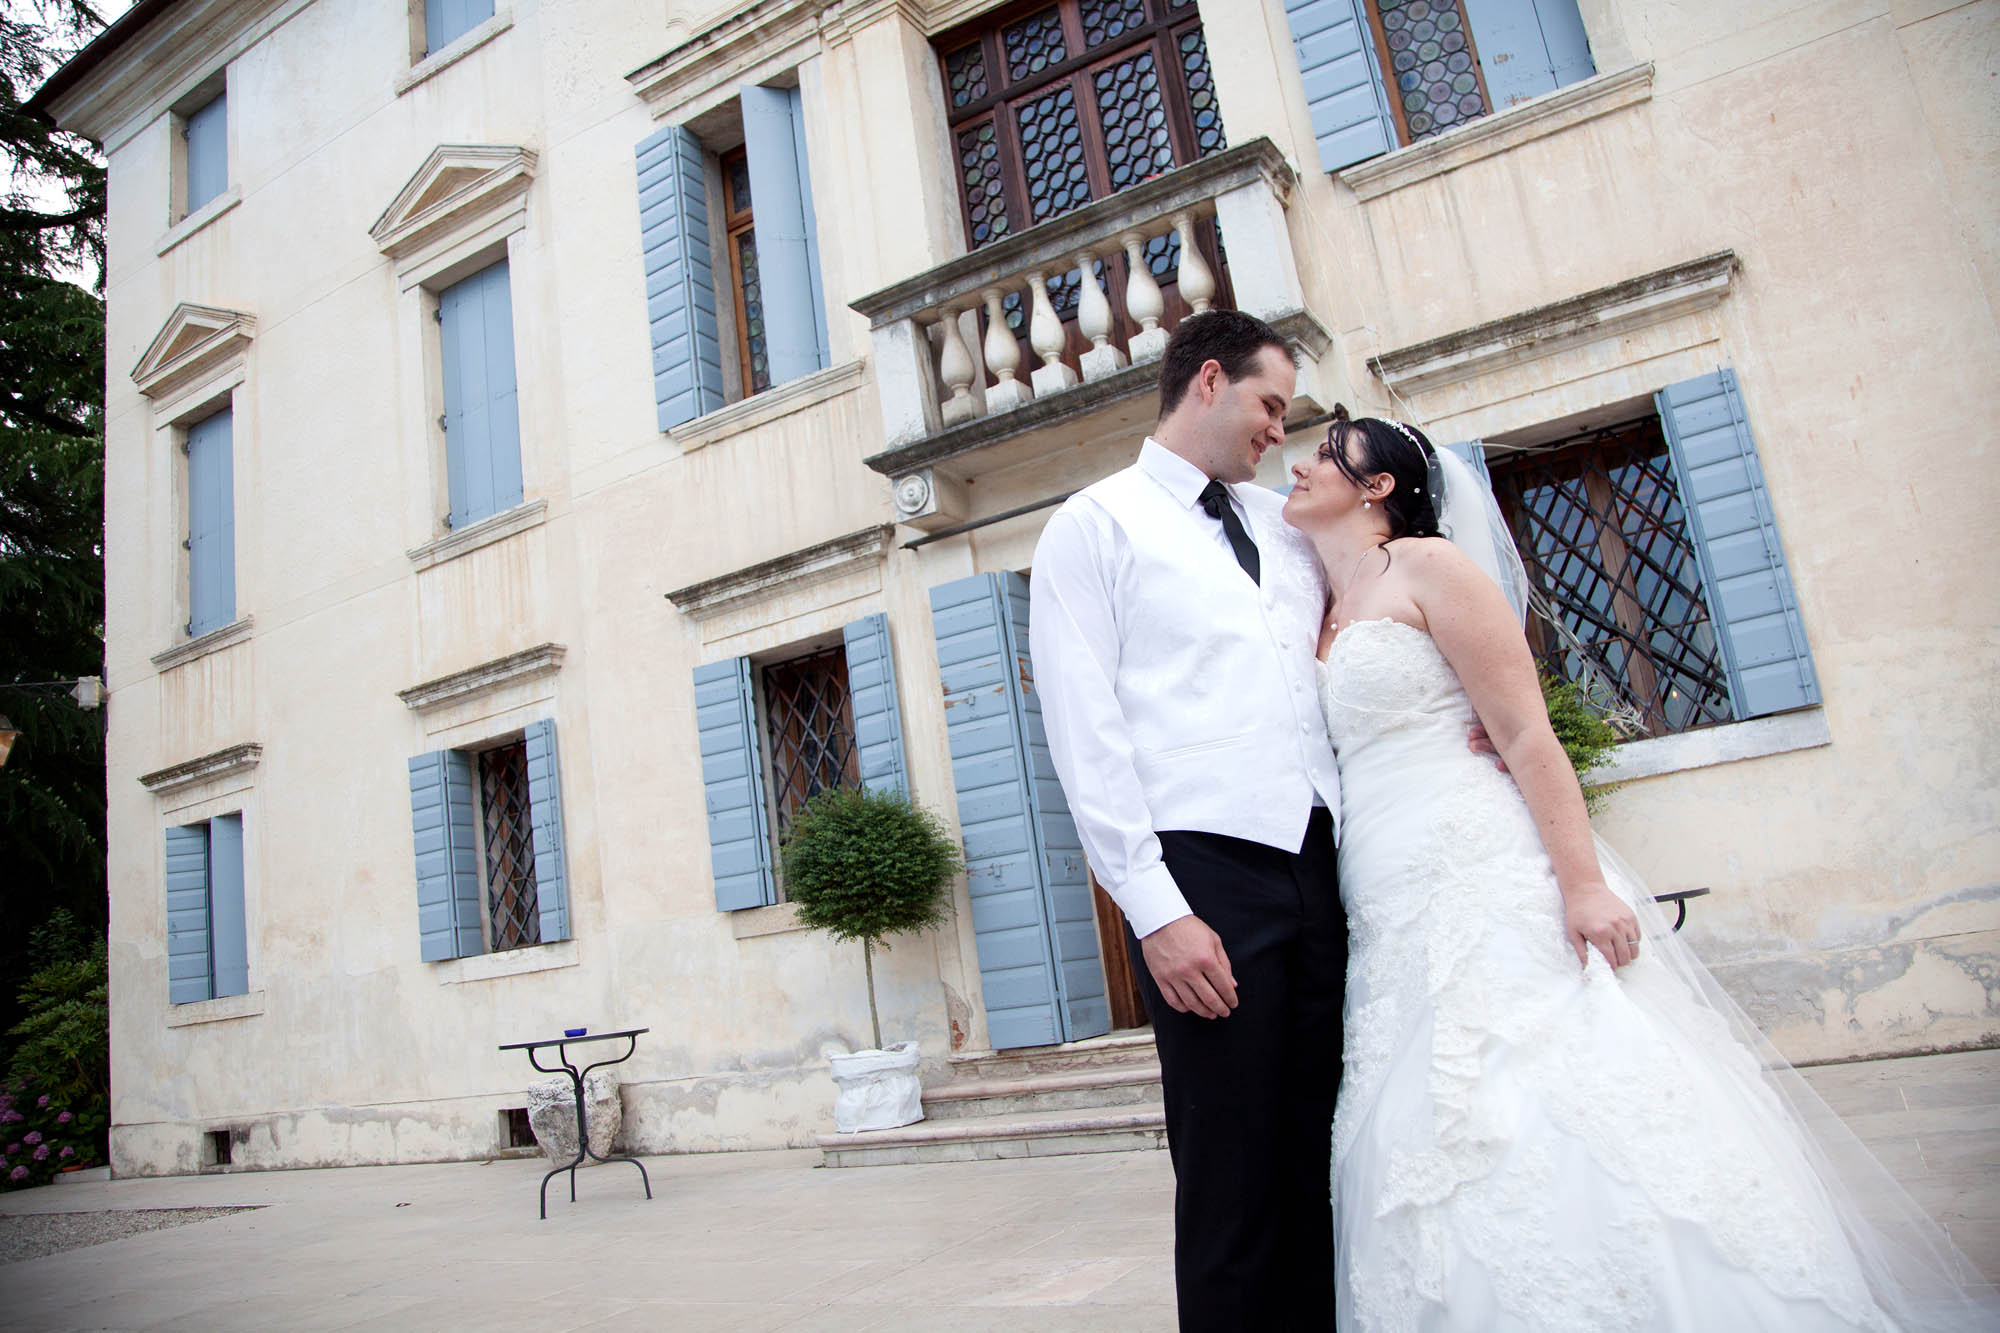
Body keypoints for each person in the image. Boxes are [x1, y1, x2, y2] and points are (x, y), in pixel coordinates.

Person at [1285, 405, 1998, 1331]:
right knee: (1416, 1109)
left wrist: (1583, 884)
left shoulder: (1431, 567)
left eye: (1326, 455)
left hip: (1473, 858)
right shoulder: (1318, 600)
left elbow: (1524, 730)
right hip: (1380, 889)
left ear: (1378, 486)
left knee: (1530, 1082)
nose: (1300, 465)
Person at [1030, 309, 1345, 1329]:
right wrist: (1155, 911)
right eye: (1267, 405)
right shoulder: (1094, 524)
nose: (1276, 432)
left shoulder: (1280, 526)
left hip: (1320, 863)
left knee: (1317, 1148)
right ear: (1207, 381)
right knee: (1228, 1170)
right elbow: (1087, 737)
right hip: (1204, 874)